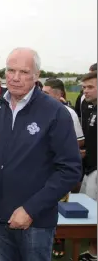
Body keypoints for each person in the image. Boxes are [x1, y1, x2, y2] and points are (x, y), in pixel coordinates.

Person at [0, 47, 82, 261]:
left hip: (35, 221)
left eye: (24, 72)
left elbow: (70, 170)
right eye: (11, 70)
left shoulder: (55, 112)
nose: (16, 78)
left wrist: (30, 210)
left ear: (37, 75)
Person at [42, 78, 85, 258]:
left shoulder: (68, 112)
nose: (41, 95)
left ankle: (58, 239)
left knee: (58, 204)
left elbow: (80, 141)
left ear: (58, 94)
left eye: (46, 93)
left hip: (58, 169)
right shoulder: (36, 110)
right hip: (40, 170)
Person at [78, 71, 97, 261]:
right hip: (90, 168)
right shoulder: (91, 108)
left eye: (90, 87)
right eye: (84, 87)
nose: (85, 91)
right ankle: (93, 251)